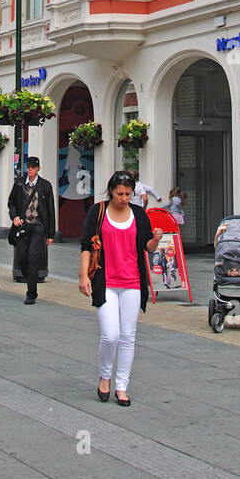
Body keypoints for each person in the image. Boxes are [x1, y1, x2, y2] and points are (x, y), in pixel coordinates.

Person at [79, 170, 163, 406]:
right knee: (110, 335)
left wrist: (156, 239)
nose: (124, 198)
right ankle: (105, 376)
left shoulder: (138, 214)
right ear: (111, 191)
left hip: (133, 282)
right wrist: (83, 275)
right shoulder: (98, 211)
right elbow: (86, 245)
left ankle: (122, 386)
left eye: (128, 194)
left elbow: (148, 247)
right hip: (105, 281)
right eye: (119, 193)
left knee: (128, 336)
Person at [8, 156, 56, 305]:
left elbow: (50, 210)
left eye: (33, 167)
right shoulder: (19, 184)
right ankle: (29, 278)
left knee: (33, 258)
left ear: (38, 168)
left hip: (38, 226)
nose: (30, 169)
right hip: (23, 226)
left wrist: (50, 233)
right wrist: (14, 216)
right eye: (28, 167)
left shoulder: (45, 186)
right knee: (22, 257)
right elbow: (12, 202)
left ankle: (31, 292)